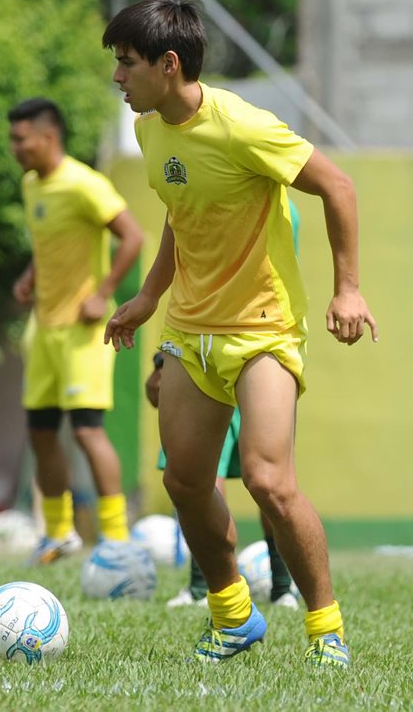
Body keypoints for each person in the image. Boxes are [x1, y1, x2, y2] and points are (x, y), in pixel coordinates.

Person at [102, 0, 377, 668]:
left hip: (261, 330)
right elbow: (179, 213)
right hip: (189, 328)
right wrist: (146, 296)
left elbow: (337, 185)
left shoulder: (243, 125)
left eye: (126, 63)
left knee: (267, 478)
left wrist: (348, 287)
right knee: (187, 481)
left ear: (169, 65)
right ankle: (233, 616)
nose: (117, 77)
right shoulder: (151, 131)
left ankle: (326, 629)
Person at [8, 97, 144, 566]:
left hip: (82, 333)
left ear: (48, 138)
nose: (15, 148)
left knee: (87, 432)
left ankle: (116, 538)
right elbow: (50, 244)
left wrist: (103, 293)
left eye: (20, 139)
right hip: (43, 329)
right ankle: (58, 534)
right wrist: (31, 274)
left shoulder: (85, 184)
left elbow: (134, 236)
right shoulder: (32, 185)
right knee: (41, 432)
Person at [152, 195, 304, 610]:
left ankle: (283, 587)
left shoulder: (275, 208)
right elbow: (190, 276)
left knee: (268, 483)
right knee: (195, 478)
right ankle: (205, 588)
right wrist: (162, 362)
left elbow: (242, 283)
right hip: (199, 353)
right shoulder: (205, 182)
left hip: (255, 359)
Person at [146, 351, 298, 610]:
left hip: (232, 365)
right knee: (251, 481)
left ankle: (205, 586)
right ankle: (276, 588)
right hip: (237, 368)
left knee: (256, 482)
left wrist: (163, 363)